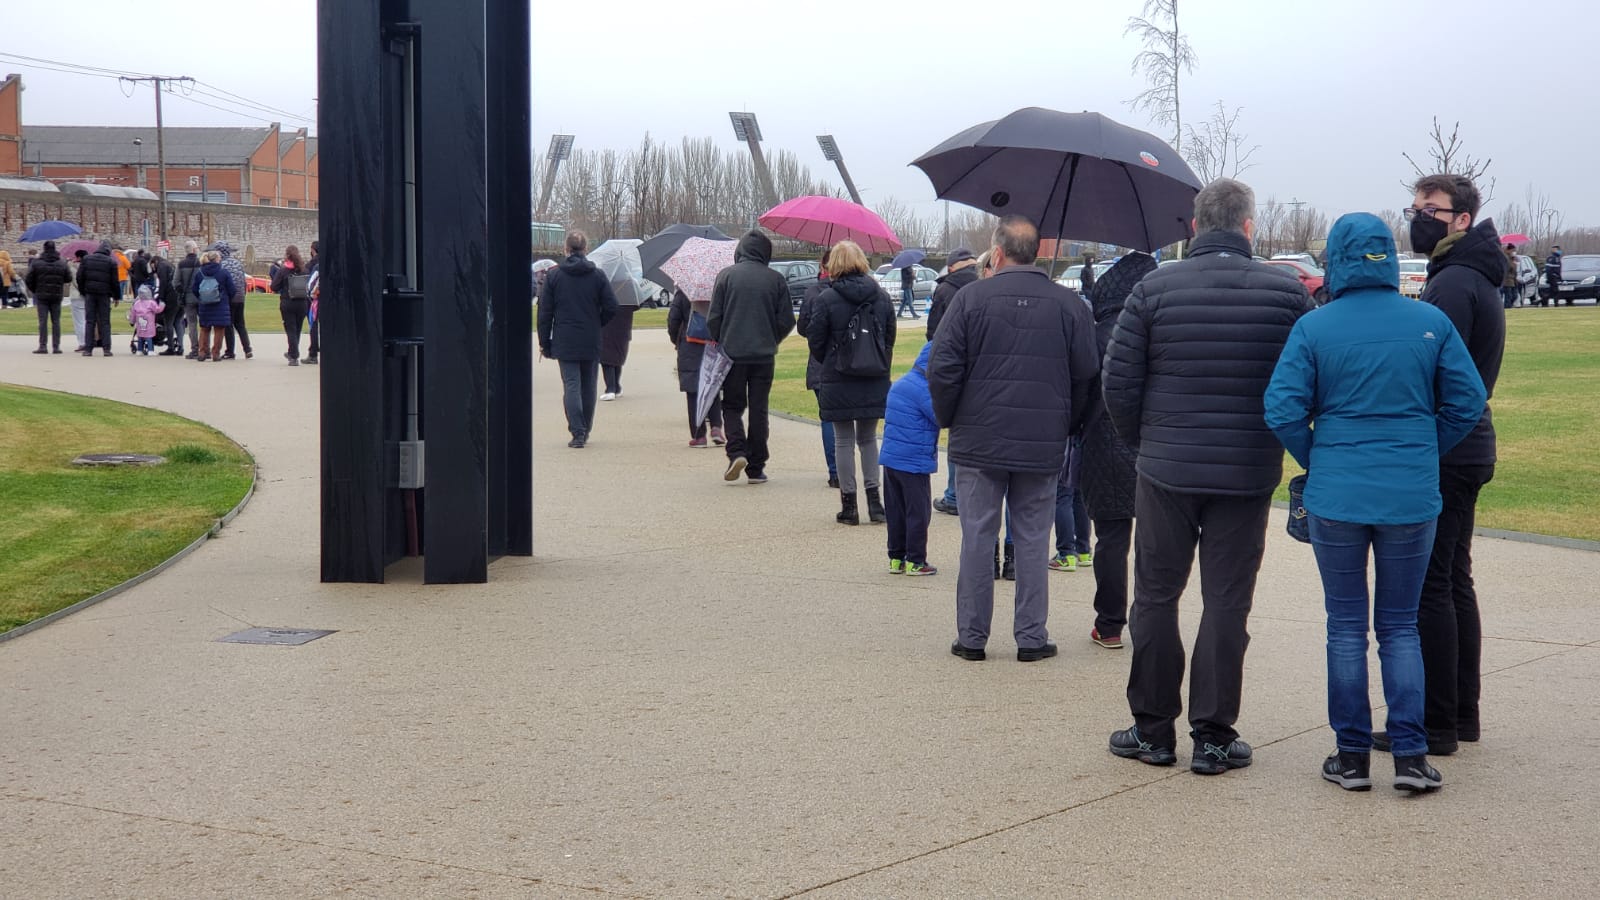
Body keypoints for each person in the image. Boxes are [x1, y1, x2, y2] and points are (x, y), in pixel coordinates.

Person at [1266, 211, 1487, 793]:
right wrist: (1422, 448)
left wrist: (1318, 457)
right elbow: (1467, 402)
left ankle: (1352, 756)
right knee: (1399, 627)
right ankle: (1410, 755)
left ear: (1336, 259)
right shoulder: (1430, 321)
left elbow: (1283, 408)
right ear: (1388, 256)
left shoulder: (1315, 327)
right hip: (1411, 494)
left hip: (1337, 490)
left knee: (1345, 626)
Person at [1102, 177, 1311, 774]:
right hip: (1244, 470)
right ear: (1249, 227)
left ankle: (1153, 730)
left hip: (1167, 466)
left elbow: (1118, 383)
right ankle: (1214, 736)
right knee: (1226, 602)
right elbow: (1302, 383)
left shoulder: (1154, 287)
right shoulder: (1286, 292)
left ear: (1195, 227)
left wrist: (1145, 443)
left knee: (1157, 596)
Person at [1374, 173, 1506, 758]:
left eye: (1432, 209)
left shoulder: (1454, 283)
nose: (1419, 217)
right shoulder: (1471, 275)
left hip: (1450, 446)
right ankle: (1462, 712)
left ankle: (1437, 722)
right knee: (1454, 578)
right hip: (1469, 443)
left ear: (1462, 219)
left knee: (1433, 584)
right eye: (1416, 207)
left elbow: (1431, 371)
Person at [927, 215, 1098, 663]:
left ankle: (972, 636)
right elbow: (1088, 376)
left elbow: (942, 369)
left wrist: (952, 418)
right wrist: (1068, 424)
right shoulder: (1069, 306)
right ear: (1037, 252)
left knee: (978, 536)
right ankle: (1030, 636)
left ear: (997, 252)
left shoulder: (969, 300)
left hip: (980, 439)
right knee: (1032, 537)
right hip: (1041, 441)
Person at [1077, 252, 1158, 651]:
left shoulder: (1096, 333)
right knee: (1153, 540)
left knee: (1111, 540)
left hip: (1103, 443)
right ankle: (1150, 621)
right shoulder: (1161, 329)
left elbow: (1080, 390)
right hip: (1152, 444)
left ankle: (1110, 623)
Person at [805, 240, 896, 524]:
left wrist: (832, 359)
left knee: (844, 440)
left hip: (838, 375)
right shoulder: (880, 297)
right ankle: (875, 501)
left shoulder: (826, 299)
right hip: (873, 375)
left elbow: (815, 341)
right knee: (868, 439)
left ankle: (850, 505)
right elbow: (889, 337)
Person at [707, 230, 794, 483]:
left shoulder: (726, 276)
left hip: (733, 353)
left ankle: (736, 450)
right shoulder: (776, 280)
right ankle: (756, 466)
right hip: (763, 355)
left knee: (732, 405)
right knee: (759, 409)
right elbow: (786, 320)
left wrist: (724, 338)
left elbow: (714, 318)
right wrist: (770, 338)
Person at [538, 230, 619, 448]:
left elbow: (545, 313)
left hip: (565, 337)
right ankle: (585, 427)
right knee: (589, 385)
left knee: (571, 385)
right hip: (590, 336)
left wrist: (544, 342)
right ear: (586, 250)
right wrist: (597, 321)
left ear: (566, 249)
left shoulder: (554, 277)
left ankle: (577, 431)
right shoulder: (598, 275)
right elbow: (612, 306)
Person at [879, 341, 940, 576]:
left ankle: (896, 557)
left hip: (892, 460)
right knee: (918, 512)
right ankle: (916, 559)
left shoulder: (902, 383)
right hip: (913, 462)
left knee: (896, 511)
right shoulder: (924, 390)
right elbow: (941, 416)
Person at [926, 247, 979, 516]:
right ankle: (968, 495)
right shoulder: (985, 286)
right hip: (982, 369)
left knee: (956, 432)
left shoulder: (945, 291)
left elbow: (933, 334)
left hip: (954, 368)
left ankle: (954, 495)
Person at [795, 249, 838, 488]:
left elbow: (803, 328)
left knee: (829, 419)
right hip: (849, 363)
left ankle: (836, 471)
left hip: (822, 363)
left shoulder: (814, 293)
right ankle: (845, 468)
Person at [666, 288, 725, 447]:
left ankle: (699, 436)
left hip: (689, 344)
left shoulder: (684, 292)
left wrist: (676, 339)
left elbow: (673, 320)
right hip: (713, 344)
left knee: (693, 391)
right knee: (712, 386)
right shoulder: (718, 290)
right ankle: (716, 427)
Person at [76, 240, 121, 356]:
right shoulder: (111, 262)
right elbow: (115, 282)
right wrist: (116, 296)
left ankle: (88, 349)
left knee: (90, 321)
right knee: (105, 321)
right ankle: (106, 349)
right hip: (104, 294)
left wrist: (83, 291)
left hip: (90, 293)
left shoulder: (86, 259)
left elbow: (79, 277)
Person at [25, 240, 71, 354]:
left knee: (43, 321)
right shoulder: (62, 262)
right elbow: (68, 278)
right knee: (56, 321)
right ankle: (56, 346)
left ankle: (43, 346)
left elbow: (28, 279)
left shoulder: (36, 263)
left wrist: (35, 290)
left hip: (41, 294)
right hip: (56, 294)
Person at [271, 245, 313, 366]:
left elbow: (274, 286)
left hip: (288, 302)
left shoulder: (283, 270)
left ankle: (294, 356)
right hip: (302, 303)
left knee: (290, 329)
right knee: (297, 329)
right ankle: (292, 352)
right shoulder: (304, 270)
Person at [192, 249, 235, 362]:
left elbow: (194, 289)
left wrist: (201, 297)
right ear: (217, 259)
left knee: (204, 329)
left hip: (204, 304)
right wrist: (226, 298)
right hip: (220, 304)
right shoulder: (223, 272)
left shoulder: (200, 273)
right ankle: (215, 353)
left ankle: (202, 352)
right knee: (219, 329)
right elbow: (232, 289)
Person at [214, 241, 254, 360]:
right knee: (240, 324)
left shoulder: (221, 265)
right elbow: (243, 280)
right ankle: (247, 349)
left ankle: (230, 351)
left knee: (228, 325)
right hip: (240, 297)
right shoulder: (237, 263)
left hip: (229, 298)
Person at [599, 302, 636, 400]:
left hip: (608, 329)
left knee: (607, 360)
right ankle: (616, 387)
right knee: (616, 360)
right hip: (623, 330)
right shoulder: (628, 295)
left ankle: (611, 389)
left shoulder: (607, 291)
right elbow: (635, 306)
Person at [151, 249, 181, 354]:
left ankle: (171, 348)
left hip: (170, 297)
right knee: (178, 322)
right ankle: (180, 347)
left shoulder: (161, 267)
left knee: (168, 322)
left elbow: (163, 284)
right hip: (179, 295)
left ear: (154, 262)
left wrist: (161, 299)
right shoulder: (170, 265)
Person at [176, 242, 203, 359]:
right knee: (204, 324)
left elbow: (175, 282)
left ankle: (195, 349)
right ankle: (204, 348)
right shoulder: (201, 263)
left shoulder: (181, 264)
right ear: (193, 250)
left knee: (192, 324)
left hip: (187, 297)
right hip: (201, 296)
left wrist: (182, 291)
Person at [128, 284, 165, 356]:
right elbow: (157, 310)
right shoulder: (151, 303)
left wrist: (132, 321)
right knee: (149, 337)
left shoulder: (137, 303)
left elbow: (133, 314)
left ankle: (139, 350)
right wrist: (162, 305)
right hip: (149, 324)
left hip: (139, 323)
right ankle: (150, 350)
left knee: (140, 337)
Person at [304, 240, 321, 363]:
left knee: (313, 324)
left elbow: (310, 284)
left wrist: (310, 294)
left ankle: (313, 353)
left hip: (316, 300)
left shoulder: (313, 265)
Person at [68, 250, 87, 351]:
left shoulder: (73, 267)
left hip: (77, 295)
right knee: (86, 319)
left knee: (79, 321)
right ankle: (88, 340)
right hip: (87, 295)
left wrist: (69, 264)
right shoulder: (89, 266)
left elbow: (71, 279)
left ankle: (82, 342)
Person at [1501, 243, 1519, 309]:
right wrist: (1513, 264)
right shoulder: (1505, 258)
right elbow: (1507, 268)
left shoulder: (1512, 259)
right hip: (1507, 281)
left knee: (1514, 296)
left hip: (1513, 281)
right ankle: (1507, 308)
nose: (1514, 252)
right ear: (1509, 250)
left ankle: (1508, 307)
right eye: (1513, 250)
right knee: (1509, 297)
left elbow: (1514, 271)